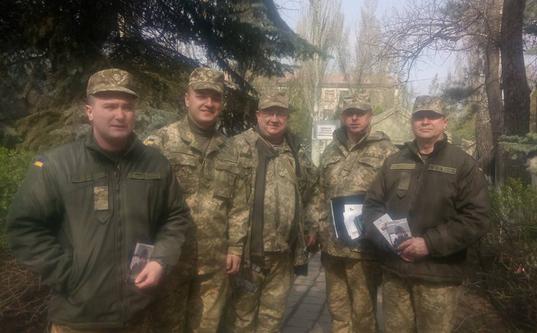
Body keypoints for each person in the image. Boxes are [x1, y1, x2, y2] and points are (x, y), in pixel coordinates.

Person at [6, 68, 191, 332]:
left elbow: (176, 217)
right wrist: (70, 277)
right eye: (109, 106)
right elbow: (24, 228)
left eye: (127, 106)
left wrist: (160, 259)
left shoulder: (155, 164)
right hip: (77, 318)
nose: (119, 114)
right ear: (90, 111)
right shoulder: (56, 165)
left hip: (140, 315)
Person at [363, 95, 490, 333]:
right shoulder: (394, 162)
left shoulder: (462, 164)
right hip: (395, 271)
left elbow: (477, 217)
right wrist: (391, 239)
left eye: (432, 116)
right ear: (412, 122)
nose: (425, 121)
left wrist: (429, 243)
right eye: (419, 116)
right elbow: (372, 207)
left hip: (438, 276)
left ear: (445, 122)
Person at [143, 67, 249, 332]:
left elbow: (239, 204)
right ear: (187, 98)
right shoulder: (160, 143)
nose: (209, 103)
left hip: (214, 263)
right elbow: (140, 203)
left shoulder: (231, 150)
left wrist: (236, 247)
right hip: (168, 261)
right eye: (202, 95)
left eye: (215, 97)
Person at [227, 91, 318, 333]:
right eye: (268, 113)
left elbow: (312, 188)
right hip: (247, 254)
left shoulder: (295, 152)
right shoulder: (237, 146)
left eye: (280, 113)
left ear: (287, 117)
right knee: (241, 320)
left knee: (272, 320)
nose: (274, 119)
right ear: (258, 115)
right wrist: (232, 246)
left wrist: (310, 225)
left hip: (283, 254)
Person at [317, 94, 397, 332]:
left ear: (370, 116)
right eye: (349, 113)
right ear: (342, 116)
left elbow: (394, 199)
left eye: (360, 113)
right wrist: (317, 228)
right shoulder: (331, 150)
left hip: (364, 248)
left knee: (364, 314)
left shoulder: (386, 150)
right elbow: (320, 192)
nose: (354, 118)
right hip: (332, 246)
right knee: (338, 310)